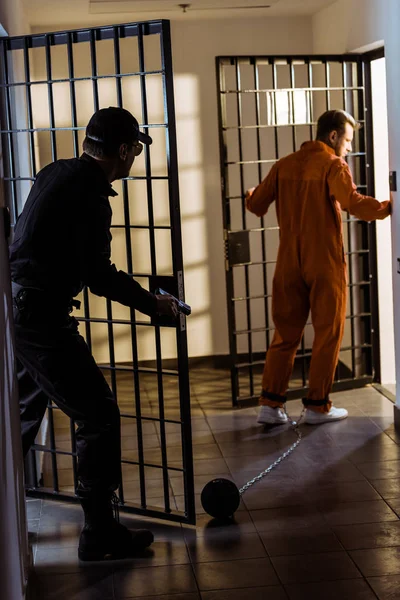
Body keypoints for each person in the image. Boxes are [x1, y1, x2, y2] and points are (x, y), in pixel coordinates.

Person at [9, 106, 179, 561]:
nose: (136, 157)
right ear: (123, 150)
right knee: (99, 413)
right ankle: (99, 533)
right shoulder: (89, 193)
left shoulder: (55, 172)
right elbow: (98, 274)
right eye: (136, 149)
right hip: (41, 318)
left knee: (23, 416)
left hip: (21, 312)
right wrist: (151, 303)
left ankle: (9, 523)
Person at [246, 109, 391, 427]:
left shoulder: (284, 165)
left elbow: (256, 205)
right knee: (328, 333)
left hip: (287, 264)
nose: (350, 148)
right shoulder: (333, 164)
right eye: (349, 140)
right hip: (324, 263)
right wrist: (389, 206)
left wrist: (250, 194)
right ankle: (317, 406)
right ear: (334, 136)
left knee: (285, 334)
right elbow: (352, 203)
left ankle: (270, 405)